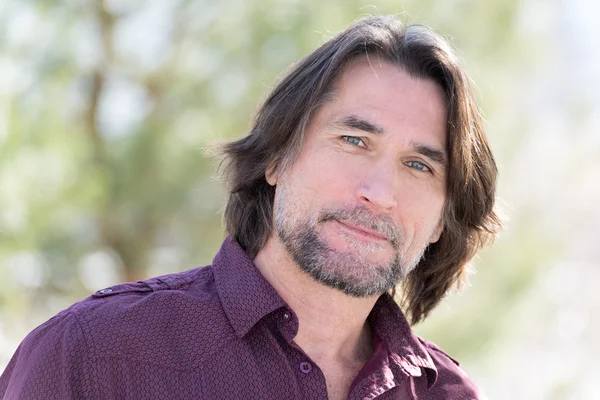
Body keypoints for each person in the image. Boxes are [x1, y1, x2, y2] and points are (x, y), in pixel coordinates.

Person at [0, 15, 500, 399]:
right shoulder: (92, 356)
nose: (380, 192)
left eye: (419, 166)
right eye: (353, 140)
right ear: (276, 159)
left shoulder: (449, 394)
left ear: (442, 220)